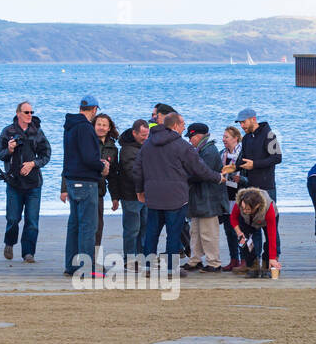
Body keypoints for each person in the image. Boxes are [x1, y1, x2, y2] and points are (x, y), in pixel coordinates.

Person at [133, 112, 228, 273]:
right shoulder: (182, 145)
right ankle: (171, 269)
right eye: (183, 125)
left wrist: (139, 190)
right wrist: (218, 177)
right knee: (173, 234)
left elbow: (137, 170)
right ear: (175, 125)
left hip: (154, 196)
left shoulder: (147, 144)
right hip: (176, 198)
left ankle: (147, 267)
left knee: (151, 233)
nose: (184, 128)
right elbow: (200, 169)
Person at [0, 100, 51, 264]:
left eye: (31, 112)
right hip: (14, 182)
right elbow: (0, 153)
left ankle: (28, 253)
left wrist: (33, 164)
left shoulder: (37, 131)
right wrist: (10, 150)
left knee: (32, 221)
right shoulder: (8, 131)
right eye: (27, 112)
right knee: (13, 218)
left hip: (34, 183)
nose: (30, 115)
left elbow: (46, 154)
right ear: (18, 113)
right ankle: (9, 243)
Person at [61, 96, 108, 276]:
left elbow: (70, 156)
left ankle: (71, 265)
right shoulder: (86, 128)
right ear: (94, 109)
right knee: (88, 226)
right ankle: (87, 268)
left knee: (74, 225)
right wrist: (102, 165)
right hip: (86, 181)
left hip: (72, 180)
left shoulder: (70, 126)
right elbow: (89, 158)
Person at [234, 109, 282, 256]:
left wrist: (255, 165)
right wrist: (232, 167)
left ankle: (272, 260)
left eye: (244, 122)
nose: (242, 125)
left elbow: (277, 158)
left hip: (267, 188)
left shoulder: (269, 135)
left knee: (270, 227)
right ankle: (253, 262)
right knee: (251, 227)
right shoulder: (247, 138)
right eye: (240, 123)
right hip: (251, 189)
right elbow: (243, 160)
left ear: (253, 119)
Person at [184, 123, 227, 272]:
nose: (190, 141)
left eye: (191, 137)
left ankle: (214, 262)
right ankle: (195, 260)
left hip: (208, 198)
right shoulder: (202, 149)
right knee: (195, 231)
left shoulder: (209, 151)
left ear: (198, 136)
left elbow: (202, 174)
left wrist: (184, 177)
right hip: (199, 198)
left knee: (208, 233)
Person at [117, 118, 149, 264]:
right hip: (130, 195)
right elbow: (132, 173)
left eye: (147, 134)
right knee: (132, 229)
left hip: (145, 194)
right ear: (134, 133)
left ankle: (140, 256)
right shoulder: (127, 149)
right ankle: (129, 258)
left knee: (144, 228)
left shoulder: (144, 146)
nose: (145, 138)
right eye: (142, 135)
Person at [230, 186, 280, 279]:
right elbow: (233, 218)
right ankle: (253, 266)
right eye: (243, 208)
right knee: (244, 242)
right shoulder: (241, 202)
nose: (244, 211)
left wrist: (272, 258)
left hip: (265, 218)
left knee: (271, 241)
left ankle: (267, 266)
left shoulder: (269, 209)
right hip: (247, 221)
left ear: (257, 206)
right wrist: (239, 233)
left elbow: (272, 236)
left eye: (248, 209)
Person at [92, 113, 119, 260]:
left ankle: (94, 258)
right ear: (94, 125)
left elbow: (113, 175)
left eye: (104, 125)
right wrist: (65, 190)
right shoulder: (88, 142)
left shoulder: (113, 148)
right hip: (84, 189)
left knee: (98, 226)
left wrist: (115, 197)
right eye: (99, 124)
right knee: (84, 225)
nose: (101, 127)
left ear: (109, 128)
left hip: (100, 191)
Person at [220, 126, 244, 270]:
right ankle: (233, 259)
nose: (224, 140)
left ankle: (245, 259)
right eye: (223, 137)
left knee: (240, 229)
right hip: (226, 194)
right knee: (229, 229)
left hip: (239, 194)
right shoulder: (222, 154)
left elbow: (248, 172)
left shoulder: (242, 153)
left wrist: (240, 177)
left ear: (235, 138)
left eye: (226, 137)